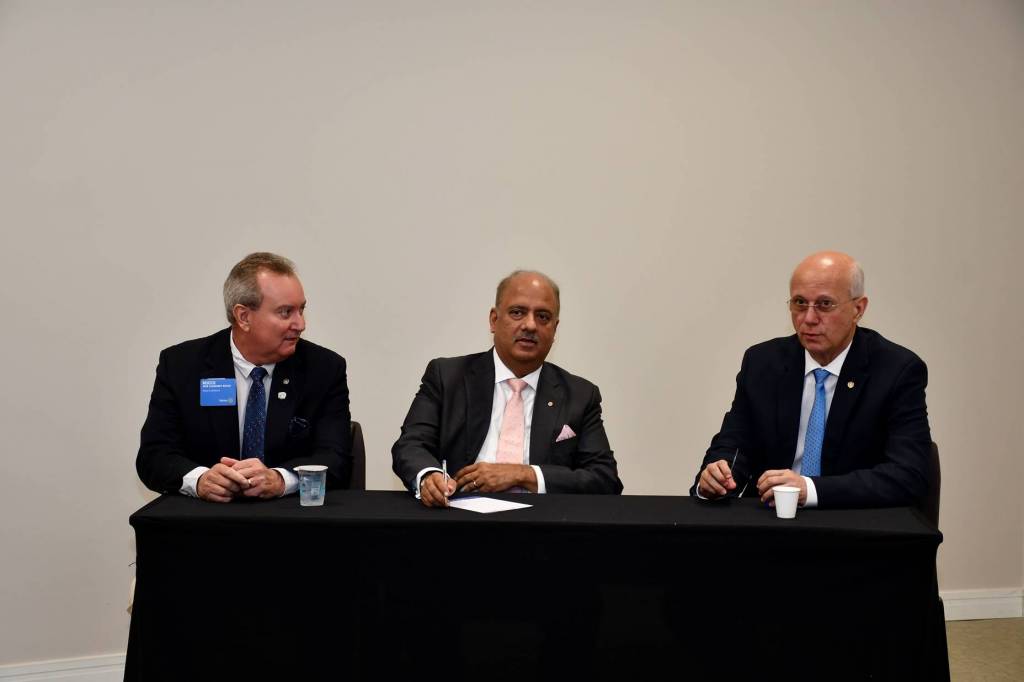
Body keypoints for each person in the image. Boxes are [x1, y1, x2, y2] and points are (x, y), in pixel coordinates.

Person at [692, 251, 931, 508]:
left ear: (858, 309)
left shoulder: (897, 371)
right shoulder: (763, 363)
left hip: (853, 521)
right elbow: (736, 443)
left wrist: (811, 489)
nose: (808, 319)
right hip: (770, 521)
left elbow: (908, 475)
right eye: (799, 303)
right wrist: (717, 476)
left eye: (825, 304)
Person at [392, 270, 623, 506]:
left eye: (543, 316)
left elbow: (604, 478)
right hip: (458, 515)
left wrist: (524, 474)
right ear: (494, 320)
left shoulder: (580, 395)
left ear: (555, 329)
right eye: (517, 312)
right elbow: (411, 445)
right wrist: (429, 476)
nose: (530, 325)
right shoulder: (447, 376)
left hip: (542, 521)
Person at [136, 252, 352, 501]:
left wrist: (281, 479)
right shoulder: (182, 365)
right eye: (285, 312)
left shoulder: (324, 369)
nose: (300, 324)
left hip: (289, 517)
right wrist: (200, 480)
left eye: (301, 310)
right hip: (205, 518)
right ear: (244, 317)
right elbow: (154, 456)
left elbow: (336, 458)